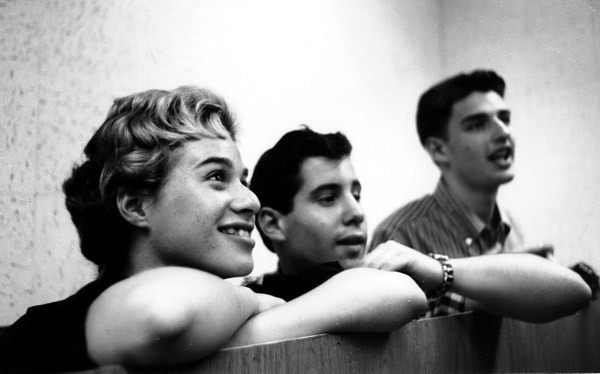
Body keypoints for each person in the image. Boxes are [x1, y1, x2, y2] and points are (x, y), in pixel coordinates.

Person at [0, 86, 427, 373]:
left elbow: (400, 293)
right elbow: (159, 314)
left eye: (242, 178)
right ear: (135, 205)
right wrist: (251, 303)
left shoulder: (282, 295)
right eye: (217, 178)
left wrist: (252, 326)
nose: (251, 200)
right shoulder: (46, 335)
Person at [369, 69, 592, 319]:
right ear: (439, 149)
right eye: (477, 125)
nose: (503, 132)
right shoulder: (399, 235)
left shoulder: (510, 227)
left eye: (504, 119)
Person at [245, 127, 368, 300]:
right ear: (273, 224)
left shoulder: (398, 276)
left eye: (356, 196)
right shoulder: (251, 306)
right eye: (328, 198)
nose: (357, 213)